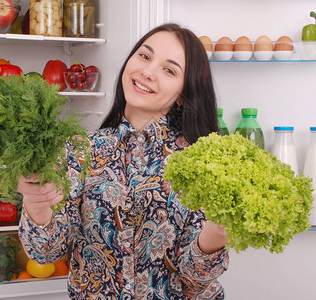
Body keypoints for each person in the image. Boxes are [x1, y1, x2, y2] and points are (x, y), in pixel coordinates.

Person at [18, 23, 229, 299]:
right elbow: (45, 252)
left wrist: (216, 236)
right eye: (144, 56)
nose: (148, 72)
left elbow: (195, 281)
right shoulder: (80, 150)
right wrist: (36, 206)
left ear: (183, 95)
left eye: (169, 70)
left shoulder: (201, 162)